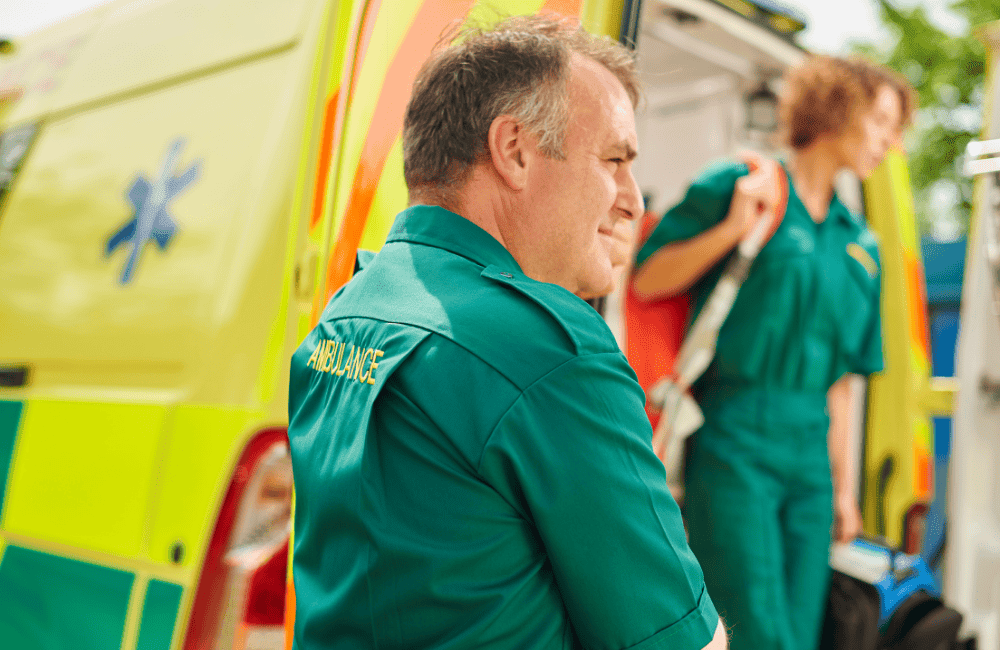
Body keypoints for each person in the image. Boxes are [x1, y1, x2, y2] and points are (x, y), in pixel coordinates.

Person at [286, 15, 727, 650]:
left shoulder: (353, 309)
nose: (633, 199)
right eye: (613, 160)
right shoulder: (545, 352)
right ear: (514, 150)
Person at [631, 56, 916, 650]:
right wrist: (734, 227)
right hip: (736, 438)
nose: (891, 142)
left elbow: (842, 380)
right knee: (759, 632)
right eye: (881, 121)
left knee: (802, 633)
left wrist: (842, 488)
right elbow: (648, 278)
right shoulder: (741, 184)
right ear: (837, 108)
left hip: (810, 454)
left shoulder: (860, 243)